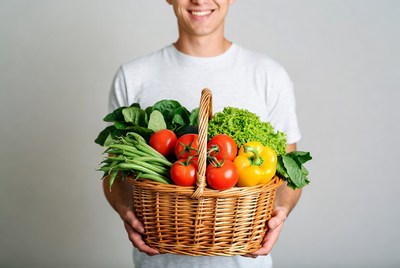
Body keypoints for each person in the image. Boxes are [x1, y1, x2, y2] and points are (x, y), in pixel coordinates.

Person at [103, 0, 302, 267]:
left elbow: (290, 168)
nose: (199, 0)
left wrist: (282, 210)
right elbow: (114, 169)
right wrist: (124, 209)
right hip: (159, 260)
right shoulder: (133, 75)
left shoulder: (269, 75)